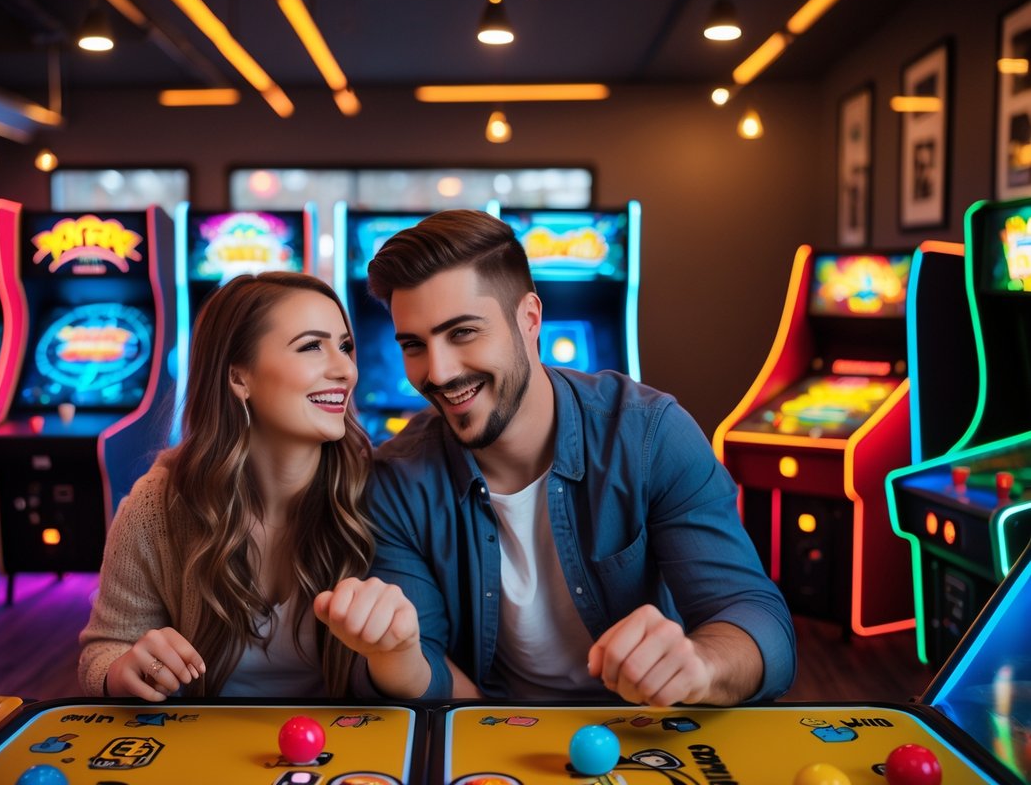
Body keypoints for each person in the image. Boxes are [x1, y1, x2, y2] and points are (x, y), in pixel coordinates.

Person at [357, 209, 796, 705]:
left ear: (529, 319)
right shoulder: (395, 479)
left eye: (462, 333)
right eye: (415, 345)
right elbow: (426, 665)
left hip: (646, 727)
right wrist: (390, 655)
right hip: (497, 734)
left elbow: (758, 621)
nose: (437, 372)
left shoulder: (650, 434)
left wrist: (701, 665)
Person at [79, 272, 421, 701]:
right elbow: (104, 649)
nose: (346, 369)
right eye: (313, 346)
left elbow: (416, 674)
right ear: (239, 378)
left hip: (343, 744)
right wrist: (122, 669)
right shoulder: (159, 502)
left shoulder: (379, 493)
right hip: (204, 746)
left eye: (345, 346)